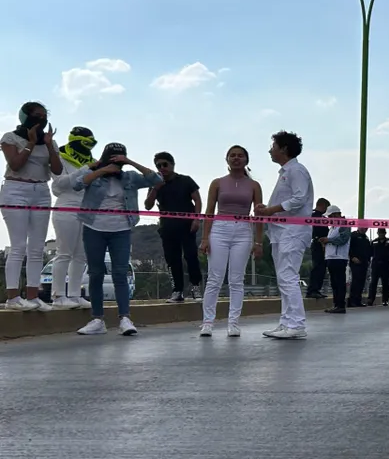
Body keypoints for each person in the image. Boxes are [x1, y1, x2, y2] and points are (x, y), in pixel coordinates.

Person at [72, 143, 162, 336]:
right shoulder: (95, 174)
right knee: (95, 273)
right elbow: (76, 184)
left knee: (120, 273)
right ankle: (97, 319)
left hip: (121, 229)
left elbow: (157, 179)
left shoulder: (130, 177)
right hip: (93, 227)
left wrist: (130, 162)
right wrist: (101, 169)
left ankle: (125, 318)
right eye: (112, 158)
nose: (116, 163)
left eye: (119, 158)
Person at [1, 102, 62, 311]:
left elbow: (57, 170)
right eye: (37, 115)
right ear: (25, 116)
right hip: (16, 189)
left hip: (41, 191)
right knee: (18, 245)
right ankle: (12, 298)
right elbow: (16, 165)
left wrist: (49, 145)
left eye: (44, 116)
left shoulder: (48, 142)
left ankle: (33, 296)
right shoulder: (10, 138)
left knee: (37, 248)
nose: (41, 119)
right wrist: (31, 143)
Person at [198, 145, 263, 337]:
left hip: (243, 230)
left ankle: (233, 322)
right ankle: (207, 322)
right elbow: (209, 211)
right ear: (227, 159)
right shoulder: (217, 183)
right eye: (232, 155)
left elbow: (259, 214)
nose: (236, 158)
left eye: (240, 155)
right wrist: (205, 238)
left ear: (246, 160)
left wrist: (258, 242)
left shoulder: (254, 185)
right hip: (220, 229)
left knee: (236, 279)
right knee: (214, 278)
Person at [256, 130, 314, 340]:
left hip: (293, 232)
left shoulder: (297, 170)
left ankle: (297, 324)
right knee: (283, 278)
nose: (270, 151)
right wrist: (268, 209)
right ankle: (286, 322)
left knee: (288, 276)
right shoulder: (286, 172)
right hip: (280, 231)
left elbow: (299, 199)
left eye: (273, 146)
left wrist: (271, 210)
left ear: (284, 149)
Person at [145, 152, 203, 303]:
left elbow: (197, 199)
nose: (162, 168)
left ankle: (196, 287)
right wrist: (155, 188)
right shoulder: (155, 183)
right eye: (158, 166)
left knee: (191, 256)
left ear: (172, 164)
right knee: (172, 259)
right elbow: (148, 206)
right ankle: (177, 291)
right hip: (167, 227)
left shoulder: (185, 180)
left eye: (165, 164)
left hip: (187, 226)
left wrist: (196, 219)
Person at [50, 126, 96, 309]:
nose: (89, 147)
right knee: (64, 253)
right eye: (86, 142)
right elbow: (59, 184)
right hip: (66, 206)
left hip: (86, 209)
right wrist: (86, 169)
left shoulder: (92, 161)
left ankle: (75, 295)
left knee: (81, 255)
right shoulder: (60, 156)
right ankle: (58, 296)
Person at [320, 207, 350, 314]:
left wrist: (328, 240)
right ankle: (336, 304)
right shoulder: (332, 227)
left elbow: (343, 239)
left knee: (339, 282)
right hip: (331, 257)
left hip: (339, 258)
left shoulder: (344, 225)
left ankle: (341, 305)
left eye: (330, 216)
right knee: (334, 283)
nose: (329, 218)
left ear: (336, 215)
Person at [306, 197, 330, 299]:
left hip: (323, 244)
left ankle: (317, 289)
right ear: (322, 205)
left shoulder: (321, 217)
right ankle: (312, 290)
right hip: (318, 243)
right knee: (317, 267)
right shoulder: (314, 215)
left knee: (322, 268)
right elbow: (315, 230)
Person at [367, 227, 389, 306]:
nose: (381, 234)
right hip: (376, 265)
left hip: (385, 265)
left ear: (385, 233)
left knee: (385, 283)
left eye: (383, 233)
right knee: (373, 283)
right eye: (380, 233)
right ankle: (371, 299)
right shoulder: (374, 242)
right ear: (378, 233)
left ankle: (385, 300)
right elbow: (370, 253)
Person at [348, 227, 372, 307]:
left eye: (366, 228)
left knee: (361, 282)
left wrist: (368, 260)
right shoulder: (353, 235)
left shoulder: (366, 237)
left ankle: (358, 300)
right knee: (356, 281)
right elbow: (348, 247)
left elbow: (368, 250)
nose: (364, 229)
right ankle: (352, 301)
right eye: (363, 228)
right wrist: (352, 257)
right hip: (355, 261)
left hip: (364, 262)